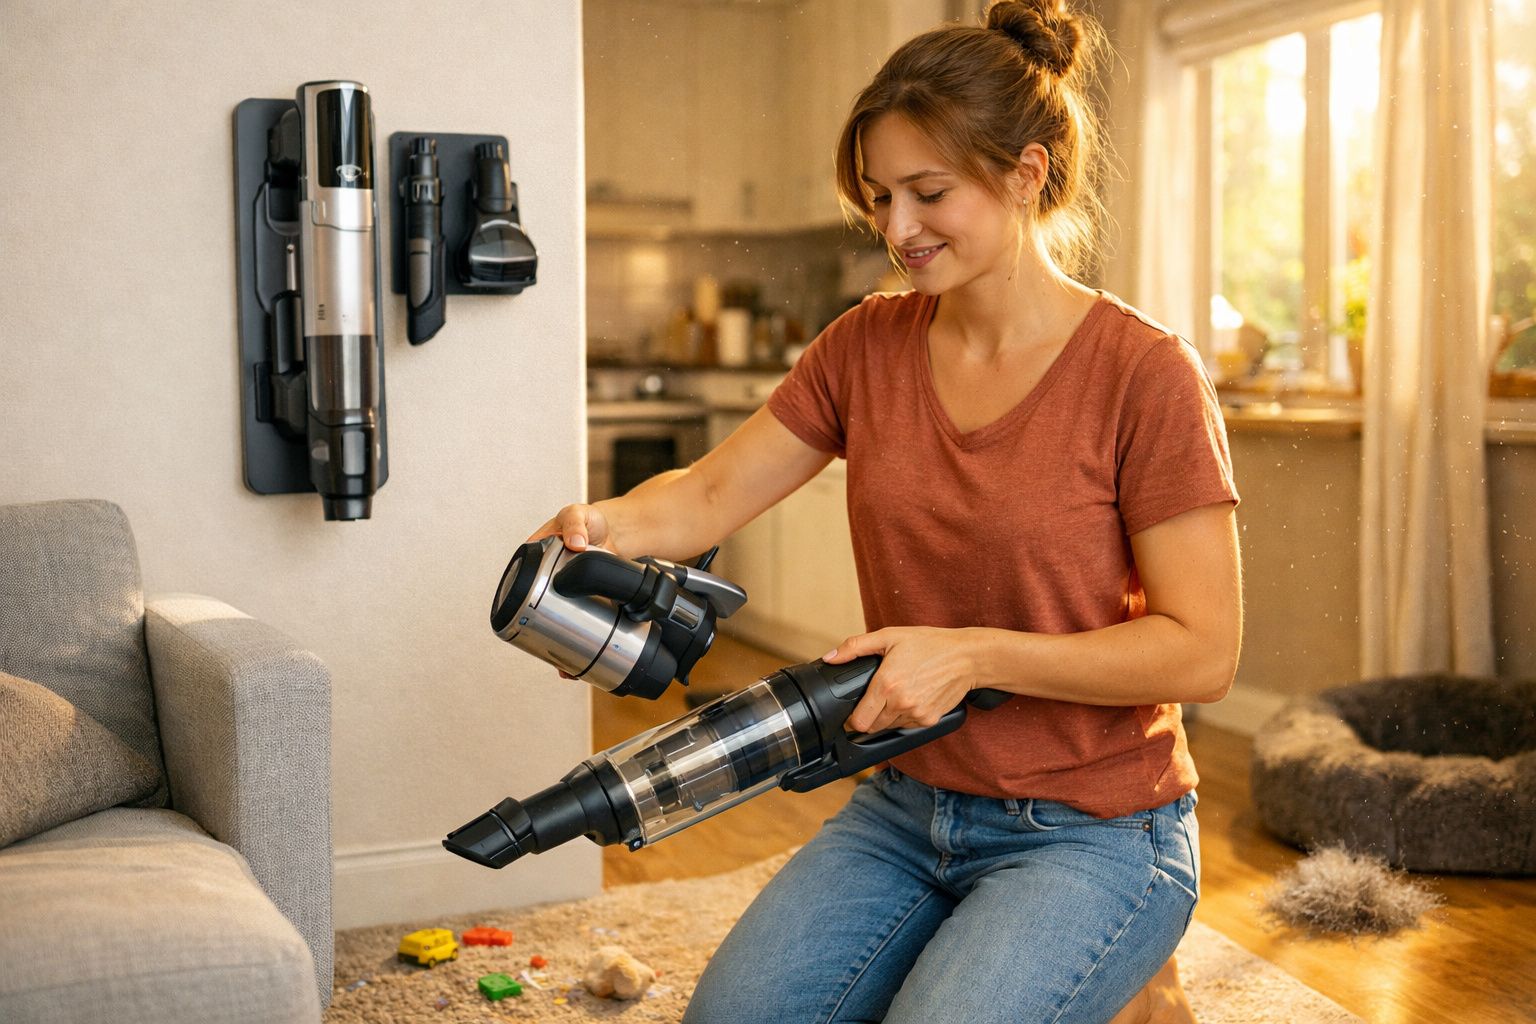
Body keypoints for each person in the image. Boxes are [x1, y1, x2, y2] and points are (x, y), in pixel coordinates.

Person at [533, 2, 1241, 1020]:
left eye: (927, 192)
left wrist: (970, 654)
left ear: (1027, 175)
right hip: (907, 806)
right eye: (878, 196)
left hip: (1094, 822)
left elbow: (1202, 651)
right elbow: (703, 495)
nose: (895, 229)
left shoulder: (1145, 375)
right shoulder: (867, 346)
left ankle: (1118, 957)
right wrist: (590, 530)